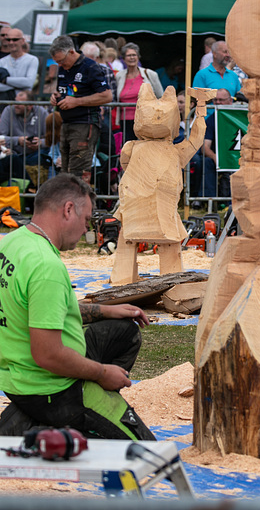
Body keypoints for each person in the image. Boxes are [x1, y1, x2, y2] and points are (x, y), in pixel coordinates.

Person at [0, 174, 155, 440]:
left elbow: (39, 306)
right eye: (86, 221)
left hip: (15, 375)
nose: (86, 230)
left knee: (122, 330)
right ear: (68, 209)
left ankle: (35, 416)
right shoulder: (45, 266)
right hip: (52, 385)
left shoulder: (11, 243)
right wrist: (102, 373)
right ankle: (57, 420)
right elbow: (48, 354)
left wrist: (106, 310)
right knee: (145, 451)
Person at [49, 35, 112, 185]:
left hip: (85, 123)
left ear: (71, 52)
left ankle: (81, 206)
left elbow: (107, 96)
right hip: (66, 122)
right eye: (57, 62)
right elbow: (65, 91)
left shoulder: (91, 67)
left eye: (62, 61)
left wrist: (77, 102)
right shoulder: (63, 68)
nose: (61, 65)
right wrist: (56, 96)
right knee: (65, 171)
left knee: (78, 173)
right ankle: (68, 205)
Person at [115, 42, 163, 142]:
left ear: (138, 57)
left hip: (146, 120)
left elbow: (160, 96)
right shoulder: (119, 76)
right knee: (128, 149)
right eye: (129, 55)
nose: (132, 58)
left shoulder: (150, 74)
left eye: (134, 55)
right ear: (123, 58)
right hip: (125, 121)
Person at [0, 90, 49, 166]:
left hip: (35, 154)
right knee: (9, 157)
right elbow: (1, 138)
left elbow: (51, 138)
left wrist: (40, 143)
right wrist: (18, 140)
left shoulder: (41, 112)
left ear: (30, 105)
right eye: (15, 101)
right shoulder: (8, 110)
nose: (15, 105)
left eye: (19, 103)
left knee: (46, 152)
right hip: (14, 153)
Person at [202, 88, 234, 201]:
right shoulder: (210, 120)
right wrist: (214, 156)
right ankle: (210, 200)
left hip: (238, 157)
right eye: (215, 100)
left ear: (230, 101)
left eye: (221, 100)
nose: (218, 103)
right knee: (206, 162)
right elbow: (205, 147)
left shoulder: (240, 116)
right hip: (218, 157)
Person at [0, 28, 39, 101]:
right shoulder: (2, 61)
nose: (11, 42)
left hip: (24, 103)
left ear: (23, 41)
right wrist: (19, 86)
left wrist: (5, 80)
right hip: (6, 102)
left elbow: (29, 82)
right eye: (9, 40)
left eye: (15, 40)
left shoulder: (32, 59)